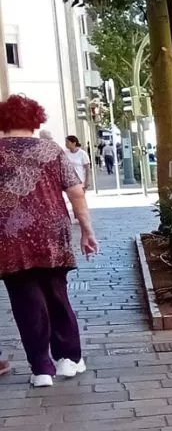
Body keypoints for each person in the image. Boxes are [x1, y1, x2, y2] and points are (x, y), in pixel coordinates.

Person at [0, 95, 98, 388]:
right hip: (52, 234)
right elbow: (76, 192)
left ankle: (42, 368)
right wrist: (87, 231)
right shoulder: (51, 149)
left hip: (10, 237)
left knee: (25, 302)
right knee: (57, 294)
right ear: (35, 120)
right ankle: (68, 358)